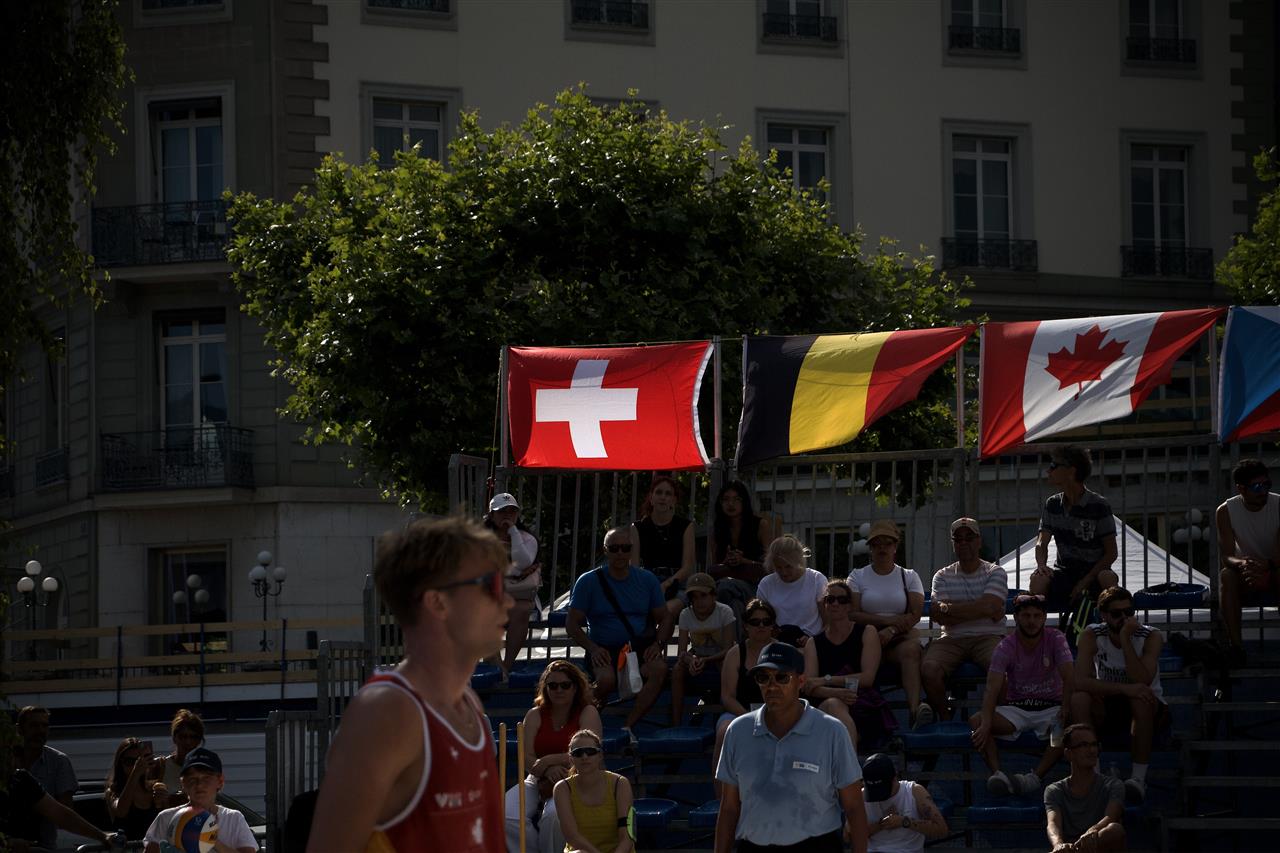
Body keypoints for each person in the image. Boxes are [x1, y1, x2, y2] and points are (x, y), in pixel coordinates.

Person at [308, 516, 512, 852]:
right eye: (492, 585)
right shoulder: (388, 712)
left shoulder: (468, 705)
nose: (507, 601)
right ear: (438, 602)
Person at [715, 641, 868, 853]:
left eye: (782, 677)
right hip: (753, 846)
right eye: (763, 678)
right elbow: (729, 809)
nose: (772, 686)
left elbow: (854, 806)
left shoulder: (832, 731)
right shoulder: (737, 731)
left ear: (801, 681)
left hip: (817, 847)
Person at [566, 526, 672, 737]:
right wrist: (593, 649)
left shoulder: (647, 579)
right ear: (605, 550)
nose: (620, 553)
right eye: (615, 548)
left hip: (638, 648)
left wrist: (658, 644)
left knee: (659, 669)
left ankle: (628, 725)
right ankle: (583, 726)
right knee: (605, 680)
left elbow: (666, 617)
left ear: (632, 550)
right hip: (604, 649)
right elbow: (572, 623)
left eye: (626, 548)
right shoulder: (588, 581)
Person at [970, 594, 1074, 797]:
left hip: (1051, 707)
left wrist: (1065, 707)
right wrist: (986, 722)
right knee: (977, 721)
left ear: (1044, 617)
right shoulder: (1006, 645)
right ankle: (998, 774)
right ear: (1016, 617)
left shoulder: (1056, 638)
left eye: (1037, 615)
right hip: (1017, 707)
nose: (1031, 621)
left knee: (1065, 727)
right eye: (1026, 615)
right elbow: (992, 687)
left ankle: (1035, 778)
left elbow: (1070, 677)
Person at [1072, 586, 1166, 805]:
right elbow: (1080, 681)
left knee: (1140, 698)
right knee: (1079, 699)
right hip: (1112, 699)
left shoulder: (1151, 635)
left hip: (1147, 704)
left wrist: (1125, 639)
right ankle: (1093, 776)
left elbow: (1141, 679)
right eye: (1116, 613)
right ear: (1103, 615)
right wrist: (1124, 689)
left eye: (1129, 612)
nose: (1124, 618)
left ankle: (1138, 779)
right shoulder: (1092, 634)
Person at [506, 660, 604, 853]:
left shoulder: (587, 712)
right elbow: (526, 756)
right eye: (552, 685)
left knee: (553, 817)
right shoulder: (534, 714)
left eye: (565, 685)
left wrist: (548, 760)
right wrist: (546, 769)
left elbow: (588, 751)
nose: (559, 690)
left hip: (576, 776)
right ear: (546, 688)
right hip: (537, 776)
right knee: (507, 814)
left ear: (575, 687)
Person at [920, 518, 1008, 721]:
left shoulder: (996, 571)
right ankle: (945, 719)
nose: (963, 543)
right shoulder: (941, 575)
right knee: (929, 669)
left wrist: (949, 609)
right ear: (953, 544)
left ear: (979, 541)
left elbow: (988, 606)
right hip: (952, 639)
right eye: (958, 539)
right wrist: (983, 609)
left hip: (988, 637)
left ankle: (997, 720)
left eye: (969, 538)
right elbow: (940, 616)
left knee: (1002, 666)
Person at [848, 520, 927, 727]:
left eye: (887, 543)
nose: (882, 548)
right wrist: (886, 621)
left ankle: (915, 712)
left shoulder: (909, 576)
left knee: (911, 651)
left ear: (895, 546)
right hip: (865, 641)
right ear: (870, 548)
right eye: (876, 544)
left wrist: (891, 630)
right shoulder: (857, 576)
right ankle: (866, 720)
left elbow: (915, 615)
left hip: (898, 640)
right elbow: (852, 614)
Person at [803, 578, 894, 751]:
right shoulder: (813, 643)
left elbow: (867, 678)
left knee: (837, 711)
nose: (835, 604)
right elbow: (809, 685)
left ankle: (848, 762)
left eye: (842, 600)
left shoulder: (867, 632)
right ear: (824, 604)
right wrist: (836, 692)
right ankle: (851, 765)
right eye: (830, 599)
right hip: (826, 703)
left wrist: (826, 680)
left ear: (849, 606)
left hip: (861, 702)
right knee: (834, 704)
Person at [1030, 446, 1119, 612]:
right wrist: (1041, 565)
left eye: (1054, 466)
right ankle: (1036, 626)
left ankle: (1115, 623)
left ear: (1071, 471)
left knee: (1107, 577)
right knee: (1038, 579)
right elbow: (1042, 541)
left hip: (1094, 573)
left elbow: (1111, 553)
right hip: (1064, 573)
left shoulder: (1099, 505)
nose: (1048, 471)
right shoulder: (1052, 504)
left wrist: (1085, 581)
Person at [2, 742, 123, 853]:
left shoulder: (20, 779)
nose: (11, 760)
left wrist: (103, 836)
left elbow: (60, 813)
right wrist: (7, 842)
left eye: (14, 754)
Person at [1216, 458, 1280, 662]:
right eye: (1257, 487)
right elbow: (1227, 556)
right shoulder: (1225, 511)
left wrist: (1266, 566)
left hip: (1275, 568)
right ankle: (1236, 647)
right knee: (1226, 576)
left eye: (1266, 484)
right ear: (1240, 488)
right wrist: (1243, 564)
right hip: (1247, 571)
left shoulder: (1278, 505)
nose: (1263, 491)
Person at [713, 598, 778, 798]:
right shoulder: (735, 653)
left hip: (777, 711)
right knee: (724, 730)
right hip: (738, 712)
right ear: (746, 626)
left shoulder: (782, 652)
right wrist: (749, 718)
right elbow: (727, 697)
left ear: (773, 625)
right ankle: (721, 799)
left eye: (766, 621)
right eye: (755, 622)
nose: (761, 626)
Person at [144, 747, 258, 853]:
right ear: (183, 783)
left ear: (220, 781)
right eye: (192, 779)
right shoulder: (166, 818)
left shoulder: (233, 818)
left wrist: (211, 840)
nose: (199, 785)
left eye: (206, 778)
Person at [485, 492, 543, 676]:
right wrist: (516, 572)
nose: (507, 515)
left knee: (522, 610)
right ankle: (495, 667)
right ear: (492, 515)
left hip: (518, 595)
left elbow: (523, 561)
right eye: (502, 511)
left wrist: (513, 532)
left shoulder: (527, 538)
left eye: (512, 511)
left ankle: (506, 667)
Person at [1044, 724, 1126, 853]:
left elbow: (1111, 817)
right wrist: (1058, 844)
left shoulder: (1113, 785)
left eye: (1094, 745)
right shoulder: (1054, 790)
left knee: (1115, 830)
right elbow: (1053, 823)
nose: (1092, 750)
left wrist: (1092, 831)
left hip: (1098, 846)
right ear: (1068, 753)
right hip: (1070, 849)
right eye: (1083, 745)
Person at [552, 729, 635, 853]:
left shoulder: (620, 783)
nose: (584, 757)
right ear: (571, 759)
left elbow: (627, 837)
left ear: (600, 755)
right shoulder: (562, 788)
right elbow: (572, 837)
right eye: (578, 753)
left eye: (590, 751)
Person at [671, 572, 737, 725]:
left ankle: (727, 716)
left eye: (703, 595)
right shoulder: (685, 614)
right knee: (677, 670)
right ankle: (676, 723)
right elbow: (682, 652)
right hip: (699, 657)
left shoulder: (725, 611)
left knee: (726, 665)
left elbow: (728, 648)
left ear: (713, 596)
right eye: (694, 597)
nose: (699, 601)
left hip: (721, 658)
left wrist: (705, 660)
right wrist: (690, 661)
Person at [631, 475, 697, 616]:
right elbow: (634, 567)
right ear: (651, 497)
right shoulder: (637, 527)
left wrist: (666, 584)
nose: (663, 497)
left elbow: (687, 567)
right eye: (659, 492)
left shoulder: (686, 526)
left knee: (666, 611)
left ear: (674, 500)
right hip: (648, 582)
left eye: (668, 494)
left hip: (677, 583)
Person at [708, 481, 775, 619]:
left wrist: (744, 561)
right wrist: (726, 562)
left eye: (736, 499)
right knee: (736, 605)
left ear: (744, 502)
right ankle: (735, 633)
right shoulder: (717, 530)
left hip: (754, 584)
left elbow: (770, 566)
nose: (731, 504)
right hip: (727, 587)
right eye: (726, 499)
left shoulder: (760, 525)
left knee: (725, 586)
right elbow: (713, 569)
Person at [15, 704, 78, 850]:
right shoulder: (7, 759)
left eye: (45, 726)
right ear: (20, 729)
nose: (41, 731)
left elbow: (65, 812)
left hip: (43, 847)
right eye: (34, 725)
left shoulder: (59, 761)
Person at [860, 752, 950, 852]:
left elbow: (941, 830)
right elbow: (850, 836)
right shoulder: (861, 795)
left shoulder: (914, 791)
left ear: (894, 779)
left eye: (882, 790)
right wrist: (881, 825)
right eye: (873, 791)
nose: (878, 796)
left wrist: (905, 822)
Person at [756, 535, 827, 642]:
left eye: (788, 566)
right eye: (778, 567)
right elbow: (761, 621)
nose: (784, 572)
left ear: (799, 562)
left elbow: (828, 622)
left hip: (812, 641)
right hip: (778, 642)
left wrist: (813, 640)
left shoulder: (817, 579)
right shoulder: (766, 584)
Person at [105, 736, 166, 840]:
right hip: (128, 847)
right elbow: (121, 811)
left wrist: (162, 801)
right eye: (129, 761)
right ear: (120, 763)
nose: (135, 765)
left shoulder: (154, 787)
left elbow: (166, 821)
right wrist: (136, 772)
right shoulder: (113, 791)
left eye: (139, 761)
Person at [155, 708, 205, 808]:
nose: (188, 742)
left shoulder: (205, 769)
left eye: (193, 737)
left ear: (199, 740)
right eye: (183, 736)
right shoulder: (161, 766)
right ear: (174, 738)